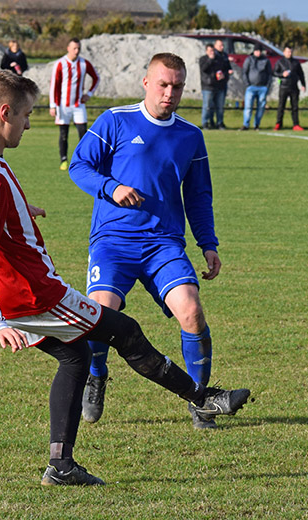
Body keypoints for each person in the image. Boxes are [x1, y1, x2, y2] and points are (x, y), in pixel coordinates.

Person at [0, 70, 252, 486]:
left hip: (20, 289)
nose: (30, 124)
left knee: (76, 357)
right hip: (33, 295)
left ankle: (61, 465)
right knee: (125, 331)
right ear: (4, 113)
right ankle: (204, 398)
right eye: (27, 115)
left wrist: (19, 211)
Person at [69, 53, 225, 430]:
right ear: (146, 82)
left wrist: (208, 242)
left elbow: (199, 196)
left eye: (177, 86)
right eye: (163, 84)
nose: (170, 93)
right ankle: (96, 374)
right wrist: (112, 187)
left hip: (163, 244)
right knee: (100, 313)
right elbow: (79, 166)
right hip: (113, 241)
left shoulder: (190, 135)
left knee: (191, 310)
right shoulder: (115, 120)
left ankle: (199, 399)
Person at [49, 38, 100, 170]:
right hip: (63, 105)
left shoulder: (84, 64)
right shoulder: (60, 64)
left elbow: (96, 78)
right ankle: (63, 160)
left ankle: (83, 160)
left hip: (78, 105)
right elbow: (54, 85)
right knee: (63, 134)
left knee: (83, 132)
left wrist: (89, 94)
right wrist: (53, 105)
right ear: (68, 48)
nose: (77, 51)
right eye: (74, 48)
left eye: (78, 48)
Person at [273, 45, 305, 131]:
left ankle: (296, 124)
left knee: (295, 107)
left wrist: (303, 84)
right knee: (281, 106)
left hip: (294, 87)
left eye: (290, 51)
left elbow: (301, 74)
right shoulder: (280, 62)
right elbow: (274, 72)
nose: (289, 53)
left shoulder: (296, 62)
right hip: (283, 87)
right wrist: (282, 75)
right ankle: (278, 123)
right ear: (284, 52)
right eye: (287, 51)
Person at [240, 44, 272, 130]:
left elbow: (269, 74)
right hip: (251, 87)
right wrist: (247, 84)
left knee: (261, 107)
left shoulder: (266, 60)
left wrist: (267, 86)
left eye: (259, 51)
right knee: (248, 107)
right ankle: (246, 124)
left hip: (262, 88)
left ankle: (256, 125)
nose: (258, 53)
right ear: (254, 51)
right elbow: (244, 72)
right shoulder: (249, 60)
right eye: (256, 51)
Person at [199, 44, 224, 129]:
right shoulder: (203, 59)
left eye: (213, 51)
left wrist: (223, 75)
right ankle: (205, 123)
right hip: (207, 86)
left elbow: (222, 69)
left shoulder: (219, 59)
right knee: (207, 107)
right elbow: (204, 69)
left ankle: (219, 123)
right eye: (210, 51)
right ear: (206, 51)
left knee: (219, 107)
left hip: (219, 86)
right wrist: (210, 59)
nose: (212, 52)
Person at [213, 39, 233, 129]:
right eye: (220, 45)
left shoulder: (224, 55)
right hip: (213, 85)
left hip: (222, 83)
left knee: (220, 105)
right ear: (215, 46)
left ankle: (220, 123)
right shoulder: (213, 55)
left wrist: (228, 71)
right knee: (210, 106)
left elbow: (228, 67)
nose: (222, 47)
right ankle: (209, 123)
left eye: (223, 45)